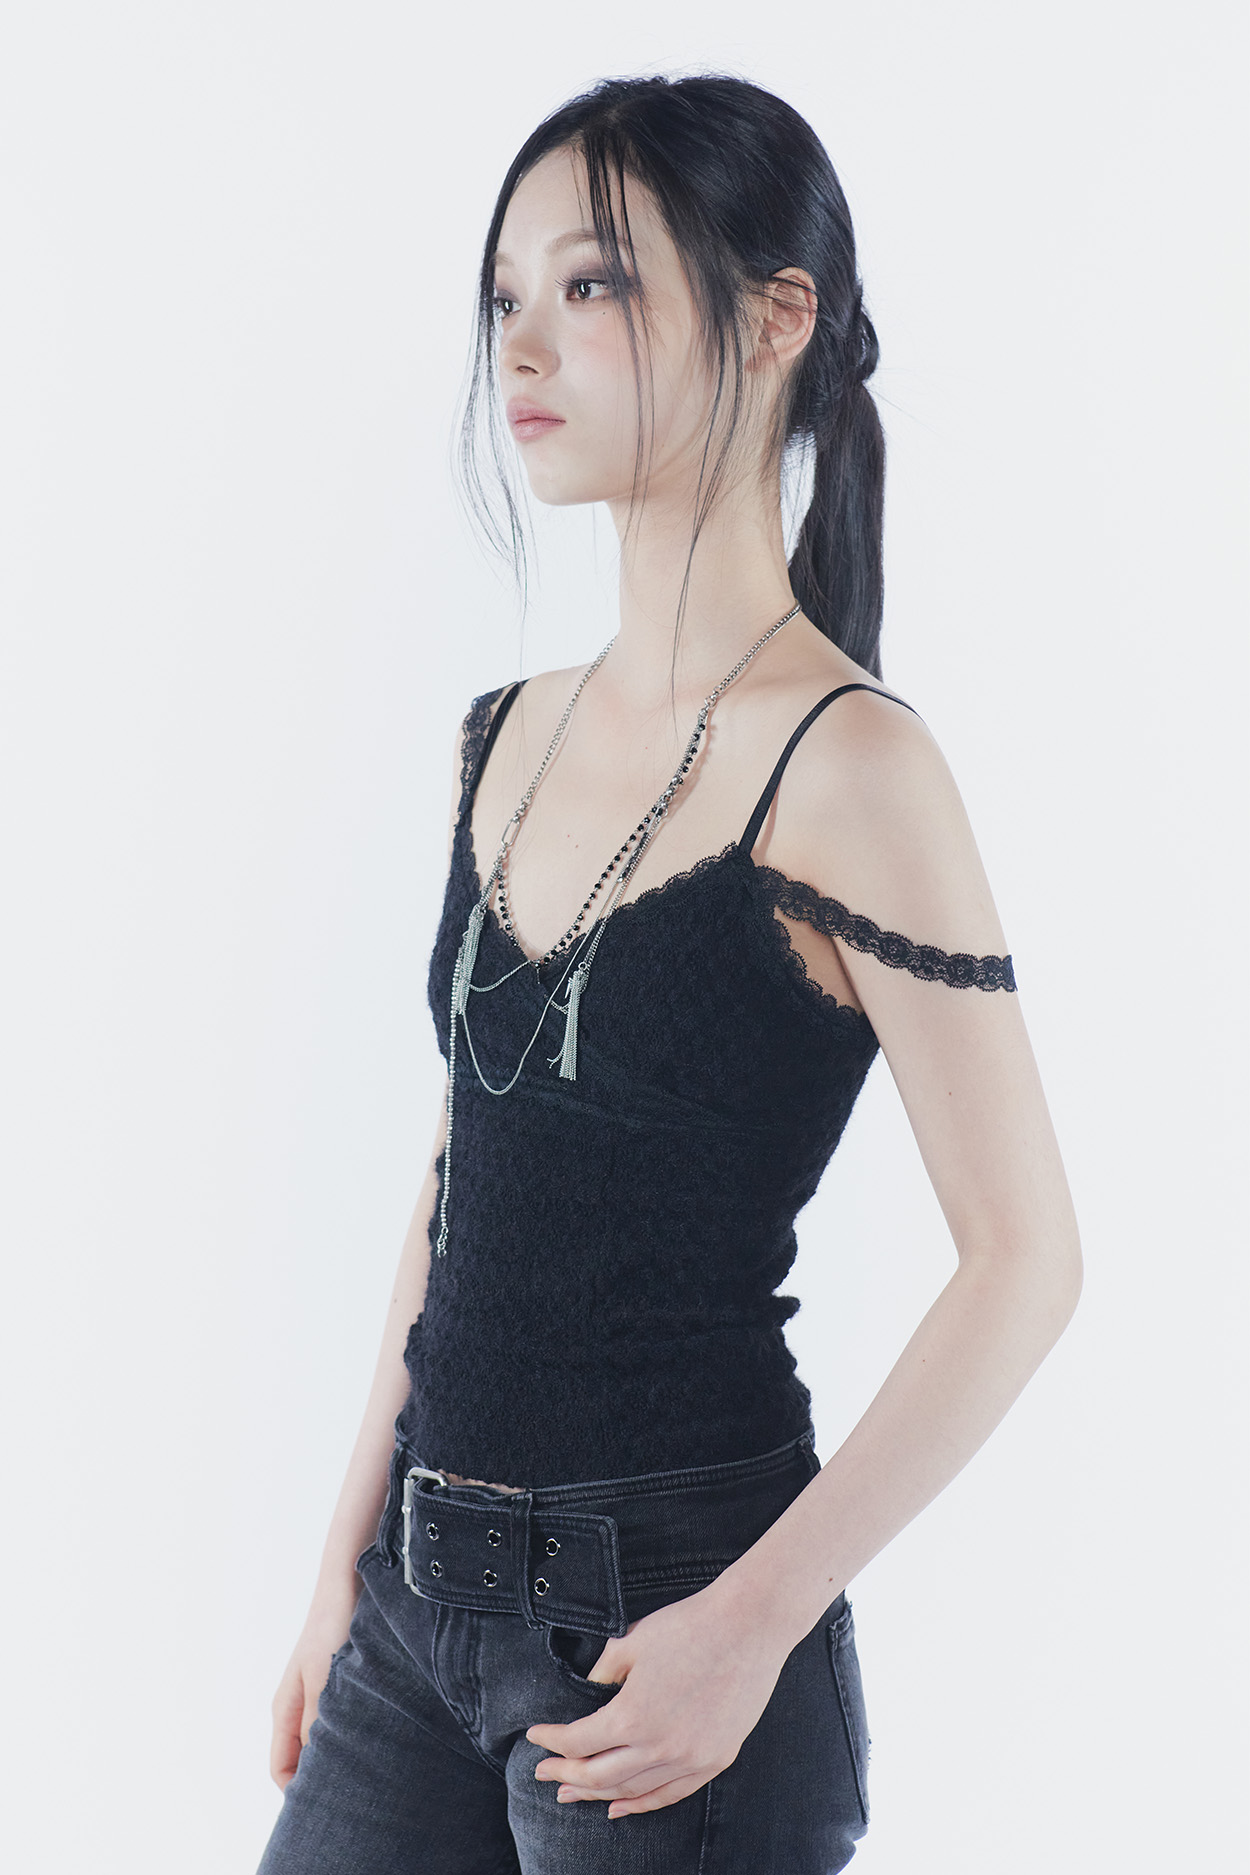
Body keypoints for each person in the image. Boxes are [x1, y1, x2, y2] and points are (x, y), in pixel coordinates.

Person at [255, 72, 1083, 1875]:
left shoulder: (854, 769)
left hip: (672, 1627)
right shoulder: (502, 737)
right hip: (412, 1615)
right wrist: (340, 1558)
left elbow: (1025, 1261)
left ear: (776, 318)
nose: (522, 343)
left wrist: (752, 1626)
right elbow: (465, 1177)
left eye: (593, 284)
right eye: (505, 296)